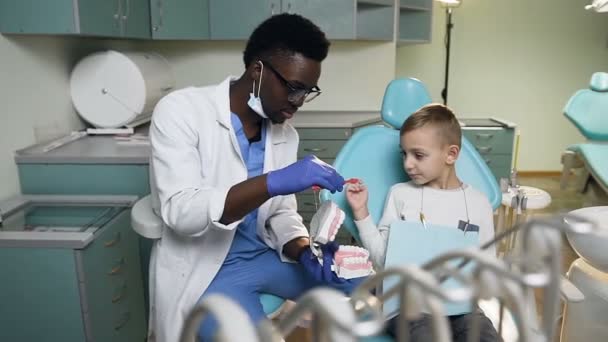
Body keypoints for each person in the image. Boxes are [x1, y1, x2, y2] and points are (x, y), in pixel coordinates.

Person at [149, 13, 359, 342]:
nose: (299, 102)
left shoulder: (283, 133)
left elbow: (280, 214)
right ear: (257, 71)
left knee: (360, 287)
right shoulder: (180, 112)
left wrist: (304, 251)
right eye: (293, 87)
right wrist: (271, 182)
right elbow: (181, 212)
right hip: (206, 270)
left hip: (261, 255)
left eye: (308, 91)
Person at [345, 104, 499, 341]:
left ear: (451, 154)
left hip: (461, 309)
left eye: (418, 155)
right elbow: (382, 259)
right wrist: (361, 212)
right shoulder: (400, 195)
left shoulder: (479, 204)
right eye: (404, 154)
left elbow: (487, 269)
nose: (408, 164)